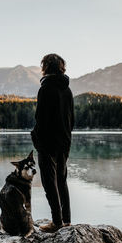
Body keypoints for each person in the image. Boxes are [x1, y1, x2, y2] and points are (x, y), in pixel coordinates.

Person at [31, 53, 74, 233]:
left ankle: (56, 222)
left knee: (49, 183)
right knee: (61, 180)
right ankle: (67, 220)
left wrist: (36, 138)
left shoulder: (46, 88)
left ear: (45, 67)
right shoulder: (68, 90)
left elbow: (40, 118)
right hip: (64, 142)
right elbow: (72, 119)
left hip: (48, 143)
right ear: (61, 67)